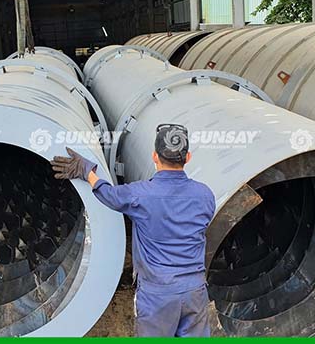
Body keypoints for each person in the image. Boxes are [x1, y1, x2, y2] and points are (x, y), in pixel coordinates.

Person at [51, 123, 216, 337]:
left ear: (155, 156)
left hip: (158, 294)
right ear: (188, 157)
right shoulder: (205, 195)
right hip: (195, 291)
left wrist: (86, 171)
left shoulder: (140, 195)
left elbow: (109, 195)